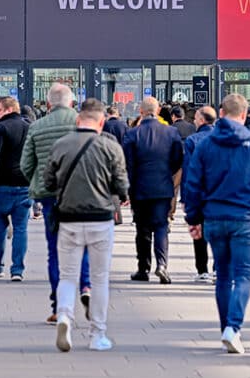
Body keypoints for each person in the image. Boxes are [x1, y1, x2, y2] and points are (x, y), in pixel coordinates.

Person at [183, 94, 250, 354]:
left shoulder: (205, 144)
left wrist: (194, 218)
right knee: (244, 274)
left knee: (222, 275)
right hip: (246, 218)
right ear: (246, 115)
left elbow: (193, 184)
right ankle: (233, 328)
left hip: (214, 217)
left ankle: (227, 327)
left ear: (222, 113)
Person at [45, 100, 128, 352]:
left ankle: (63, 317)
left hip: (68, 218)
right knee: (100, 278)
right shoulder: (110, 146)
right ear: (101, 122)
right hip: (101, 219)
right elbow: (122, 186)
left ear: (77, 120)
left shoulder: (60, 145)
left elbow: (48, 181)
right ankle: (97, 334)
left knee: (68, 276)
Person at [20, 84, 90, 321]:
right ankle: (86, 287)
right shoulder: (82, 122)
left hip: (50, 195)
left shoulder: (37, 126)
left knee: (55, 250)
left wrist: (38, 179)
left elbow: (25, 165)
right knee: (82, 243)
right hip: (80, 193)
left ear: (48, 104)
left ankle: (57, 304)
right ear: (72, 103)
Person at [123, 96, 184, 284]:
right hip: (163, 187)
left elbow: (128, 164)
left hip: (140, 188)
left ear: (141, 112)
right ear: (158, 111)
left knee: (142, 229)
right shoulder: (171, 133)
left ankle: (143, 268)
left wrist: (129, 187)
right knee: (161, 227)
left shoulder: (132, 134)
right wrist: (166, 174)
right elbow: (177, 160)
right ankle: (162, 265)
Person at [0, 96, 32, 281]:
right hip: (24, 184)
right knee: (20, 229)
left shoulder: (0, 128)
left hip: (0, 184)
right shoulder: (29, 127)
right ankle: (17, 270)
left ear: (9, 109)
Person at [182, 106, 216, 282]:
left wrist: (185, 197)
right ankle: (218, 268)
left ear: (202, 120)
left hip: (199, 193)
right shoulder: (222, 139)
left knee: (199, 231)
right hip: (219, 194)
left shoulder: (193, 140)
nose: (194, 121)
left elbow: (187, 171)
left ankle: (202, 270)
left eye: (195, 118)